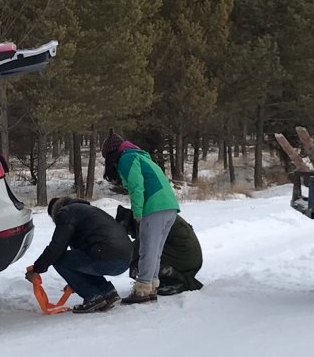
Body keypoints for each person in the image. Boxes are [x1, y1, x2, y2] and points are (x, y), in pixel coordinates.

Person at [101, 131, 180, 305]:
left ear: (112, 153)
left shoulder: (127, 159)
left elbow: (137, 187)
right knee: (155, 250)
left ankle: (142, 290)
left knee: (147, 249)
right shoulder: (142, 156)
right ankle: (151, 287)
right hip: (170, 206)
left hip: (154, 207)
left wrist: (137, 213)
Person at [25, 196, 134, 314]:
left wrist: (36, 269)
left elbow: (56, 247)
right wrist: (75, 282)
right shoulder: (86, 211)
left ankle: (93, 297)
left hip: (107, 255)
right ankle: (108, 293)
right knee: (87, 257)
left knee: (58, 260)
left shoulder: (66, 213)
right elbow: (81, 259)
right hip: (125, 258)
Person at [116, 204, 204, 295]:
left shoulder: (145, 220)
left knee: (141, 262)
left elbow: (138, 250)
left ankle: (178, 282)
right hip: (189, 258)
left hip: (186, 258)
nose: (130, 235)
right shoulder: (151, 213)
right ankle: (168, 280)